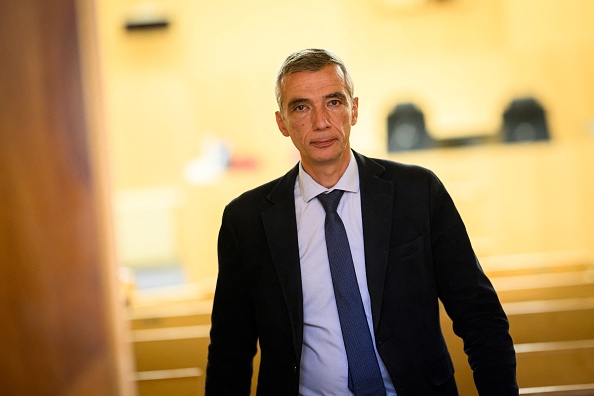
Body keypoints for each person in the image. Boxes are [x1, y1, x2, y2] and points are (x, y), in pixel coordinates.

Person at [205, 48, 518, 396]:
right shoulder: (246, 222)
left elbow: (478, 313)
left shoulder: (417, 192)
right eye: (301, 107)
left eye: (334, 102)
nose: (321, 122)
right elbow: (229, 353)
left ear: (354, 110)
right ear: (282, 122)